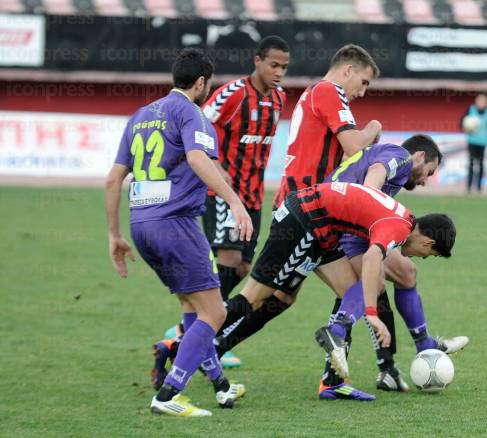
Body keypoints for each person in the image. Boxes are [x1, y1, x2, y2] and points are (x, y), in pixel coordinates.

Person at [213, 44, 383, 400]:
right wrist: (373, 129)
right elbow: (354, 146)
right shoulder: (328, 91)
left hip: (319, 216)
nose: (362, 92)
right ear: (348, 70)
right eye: (363, 82)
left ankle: (332, 381)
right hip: (302, 214)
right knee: (258, 295)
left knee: (318, 294)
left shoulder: (318, 96)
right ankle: (188, 346)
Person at [105, 48, 253, 417]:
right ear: (201, 82)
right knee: (216, 312)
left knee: (193, 305)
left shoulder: (140, 117)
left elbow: (113, 179)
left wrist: (114, 235)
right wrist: (235, 202)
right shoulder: (191, 113)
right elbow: (198, 158)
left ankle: (220, 386)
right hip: (177, 224)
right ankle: (169, 395)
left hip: (142, 225)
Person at [218, 182, 456, 389]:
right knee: (255, 298)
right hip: (303, 219)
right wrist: (372, 314)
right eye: (429, 255)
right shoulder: (399, 227)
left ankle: (336, 340)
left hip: (323, 230)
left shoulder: (401, 218)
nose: (422, 258)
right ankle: (195, 339)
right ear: (428, 242)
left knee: (351, 288)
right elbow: (373, 257)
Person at [156, 36, 290, 372]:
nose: (279, 72)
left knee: (244, 268)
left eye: (284, 67)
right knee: (228, 258)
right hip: (221, 193)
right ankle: (205, 329)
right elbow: (199, 122)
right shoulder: (232, 93)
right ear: (257, 61)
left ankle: (197, 329)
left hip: (254, 196)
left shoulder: (279, 99)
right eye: (273, 64)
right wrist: (215, 169)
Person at [321, 135, 468, 394]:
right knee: (373, 282)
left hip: (351, 223)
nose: (425, 181)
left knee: (406, 272)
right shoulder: (399, 158)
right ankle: (337, 333)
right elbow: (369, 190)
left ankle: (422, 347)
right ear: (420, 156)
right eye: (429, 172)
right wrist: (381, 221)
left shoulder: (396, 167)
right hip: (339, 224)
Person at [461, 93, 487, 193]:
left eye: (483, 101)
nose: (481, 103)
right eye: (479, 101)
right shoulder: (471, 110)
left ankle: (479, 188)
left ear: (486, 103)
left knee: (480, 164)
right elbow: (462, 122)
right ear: (476, 102)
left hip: (483, 142)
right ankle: (468, 187)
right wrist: (466, 128)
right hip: (472, 141)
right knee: (471, 163)